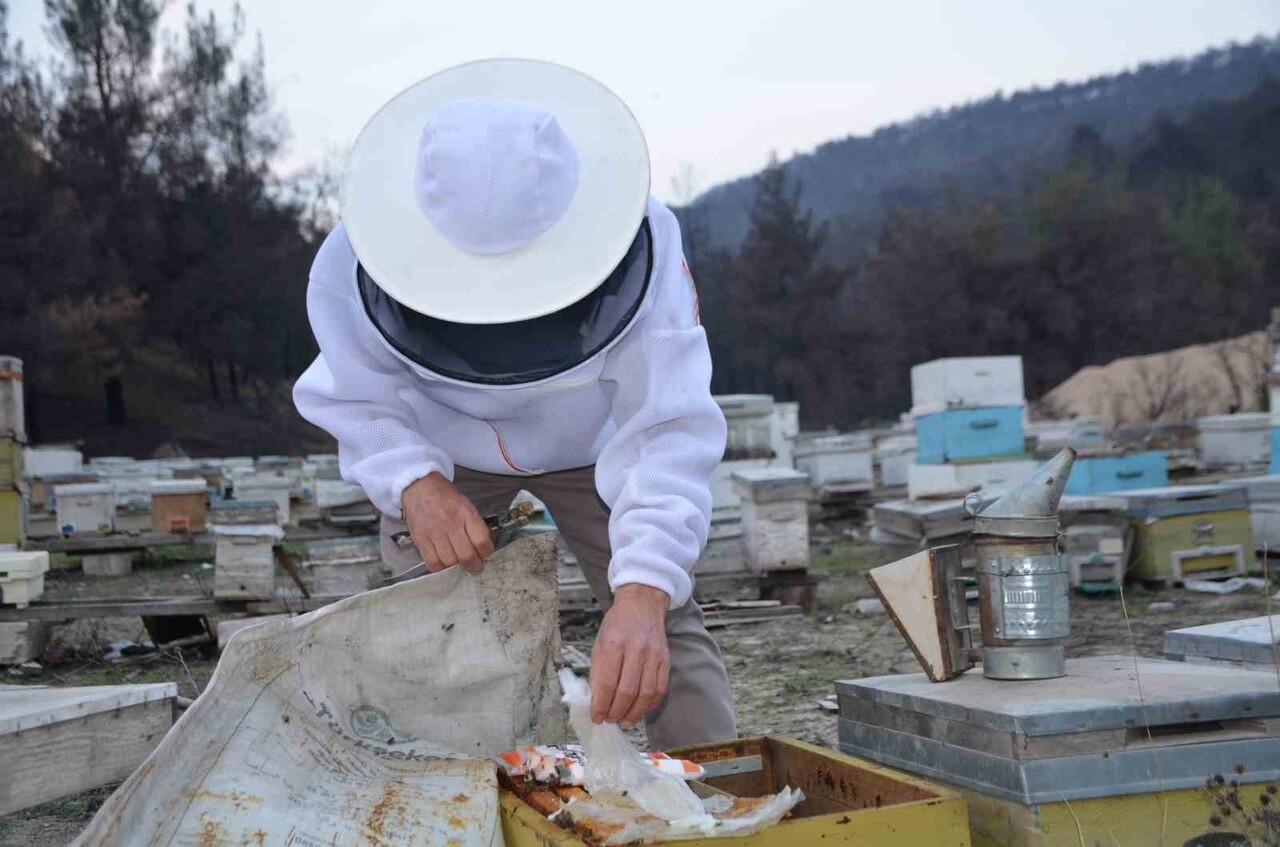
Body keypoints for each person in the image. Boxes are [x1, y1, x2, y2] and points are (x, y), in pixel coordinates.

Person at [293, 59, 736, 750]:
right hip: (446, 453)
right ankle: (444, 803)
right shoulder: (351, 263)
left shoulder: (647, 242)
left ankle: (715, 797)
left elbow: (668, 425)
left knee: (664, 621)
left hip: (595, 447)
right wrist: (412, 481)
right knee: (423, 627)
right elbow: (354, 394)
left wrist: (645, 592)